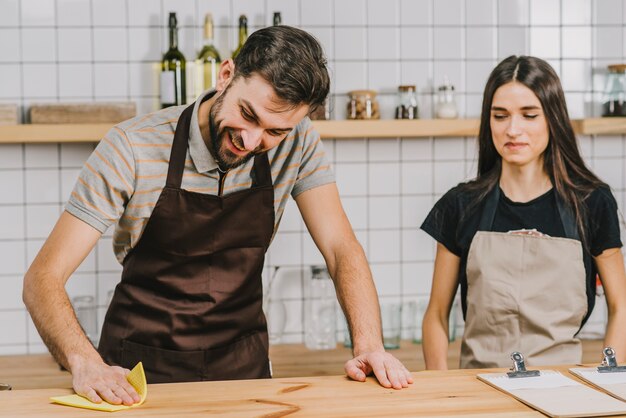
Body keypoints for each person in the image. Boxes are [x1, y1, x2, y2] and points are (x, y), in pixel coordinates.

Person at [22, 26, 412, 405]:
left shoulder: (299, 141)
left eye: (274, 131)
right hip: (136, 380)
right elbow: (42, 278)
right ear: (226, 75)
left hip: (243, 375)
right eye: (247, 114)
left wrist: (369, 344)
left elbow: (341, 248)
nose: (251, 141)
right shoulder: (132, 147)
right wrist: (85, 362)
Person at [420, 55, 626, 370]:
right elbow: (436, 314)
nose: (513, 130)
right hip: (478, 388)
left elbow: (620, 305)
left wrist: (609, 376)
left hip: (563, 387)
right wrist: (441, 390)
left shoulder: (591, 202)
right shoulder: (460, 205)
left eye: (529, 115)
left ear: (552, 119)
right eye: (500, 116)